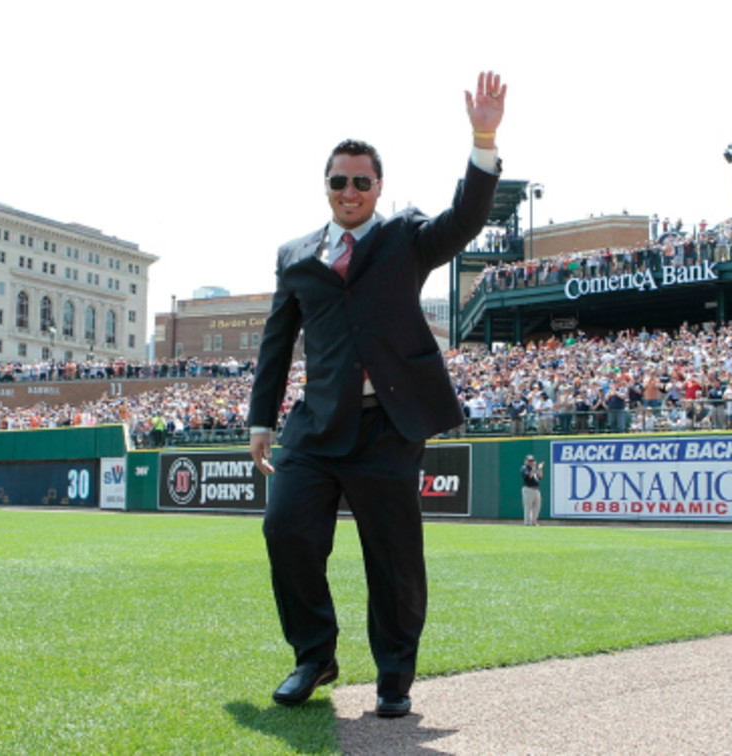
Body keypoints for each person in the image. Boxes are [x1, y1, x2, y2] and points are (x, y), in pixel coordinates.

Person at [247, 71, 506, 719]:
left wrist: (483, 139)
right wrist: (260, 420)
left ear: (379, 187)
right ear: (326, 186)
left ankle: (395, 677)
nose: (351, 190)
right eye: (339, 180)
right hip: (314, 429)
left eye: (363, 181)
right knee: (285, 530)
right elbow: (278, 343)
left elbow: (467, 219)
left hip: (387, 428)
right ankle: (314, 654)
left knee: (392, 561)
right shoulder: (295, 255)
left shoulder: (404, 239)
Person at [521, 454, 545, 526]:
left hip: (536, 489)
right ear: (526, 461)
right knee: (528, 507)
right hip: (528, 489)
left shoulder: (534, 469)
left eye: (532, 460)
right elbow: (529, 477)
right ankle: (527, 523)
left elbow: (540, 477)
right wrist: (534, 468)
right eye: (529, 461)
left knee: (537, 507)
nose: (531, 462)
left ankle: (534, 522)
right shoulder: (524, 468)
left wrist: (540, 468)